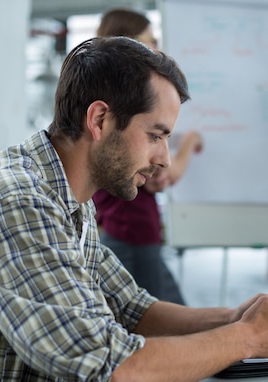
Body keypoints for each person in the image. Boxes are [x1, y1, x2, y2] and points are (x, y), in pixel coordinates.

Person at [0, 36, 268, 382]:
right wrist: (248, 338)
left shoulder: (67, 195)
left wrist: (235, 318)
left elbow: (130, 309)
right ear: (99, 119)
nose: (164, 158)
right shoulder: (17, 203)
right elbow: (112, 372)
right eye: (155, 136)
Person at [93, 7, 203, 305]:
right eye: (150, 39)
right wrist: (190, 141)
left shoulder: (106, 94)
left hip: (128, 231)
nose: (157, 46)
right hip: (132, 234)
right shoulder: (123, 106)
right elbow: (159, 179)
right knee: (161, 324)